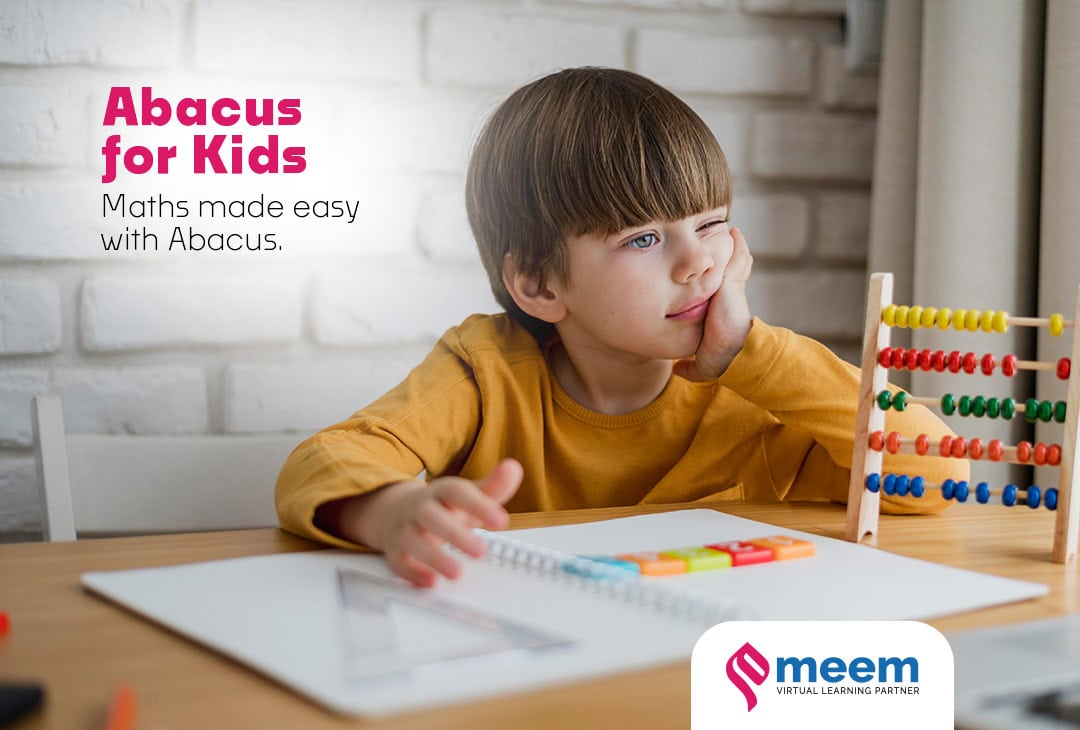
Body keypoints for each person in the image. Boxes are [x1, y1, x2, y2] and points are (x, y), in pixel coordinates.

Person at [276, 67, 967, 586]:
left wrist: (752, 354)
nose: (698, 262)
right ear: (540, 284)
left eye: (712, 225)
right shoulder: (484, 370)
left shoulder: (760, 387)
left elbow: (936, 474)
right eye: (642, 239)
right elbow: (326, 459)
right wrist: (390, 511)